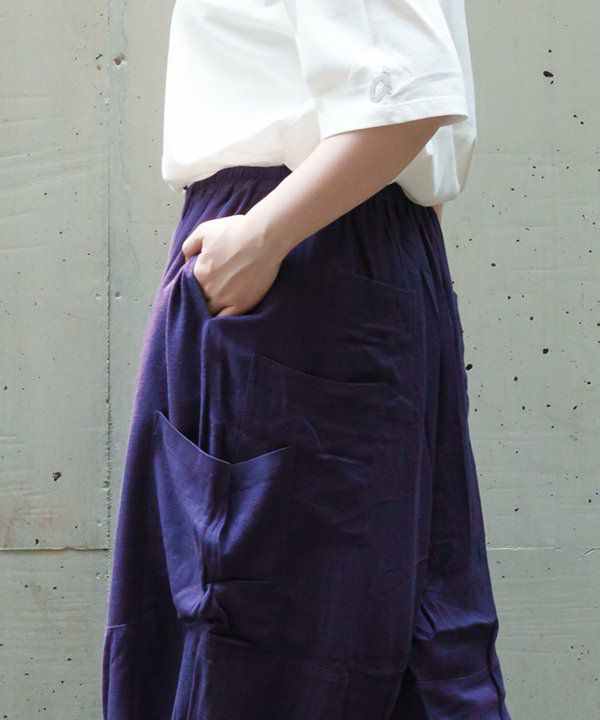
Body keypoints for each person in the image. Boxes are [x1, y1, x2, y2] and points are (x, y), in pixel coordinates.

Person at [102, 1, 513, 719]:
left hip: (295, 265)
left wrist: (265, 235)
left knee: (263, 635)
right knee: (408, 629)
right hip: (348, 252)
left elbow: (407, 97)